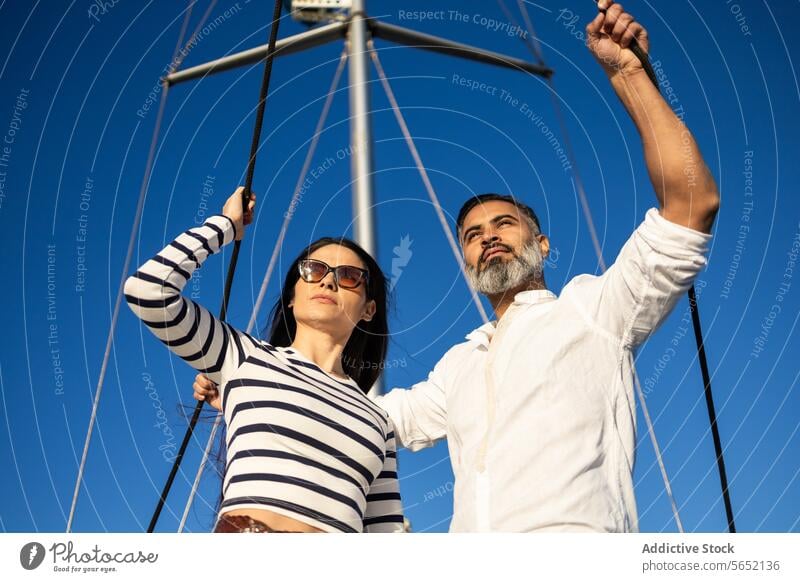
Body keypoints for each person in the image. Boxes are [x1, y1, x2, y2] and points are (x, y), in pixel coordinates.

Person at [194, 0, 720, 532]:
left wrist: (629, 75)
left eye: (503, 225)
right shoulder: (458, 365)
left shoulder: (597, 310)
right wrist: (252, 381)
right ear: (466, 261)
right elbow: (369, 418)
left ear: (542, 243)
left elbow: (691, 204)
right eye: (472, 235)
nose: (487, 237)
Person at [124, 187, 404, 533]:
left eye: (348, 276)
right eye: (313, 270)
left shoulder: (378, 419)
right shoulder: (244, 357)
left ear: (368, 309)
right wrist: (225, 225)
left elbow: (386, 538)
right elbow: (148, 290)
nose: (328, 281)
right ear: (291, 296)